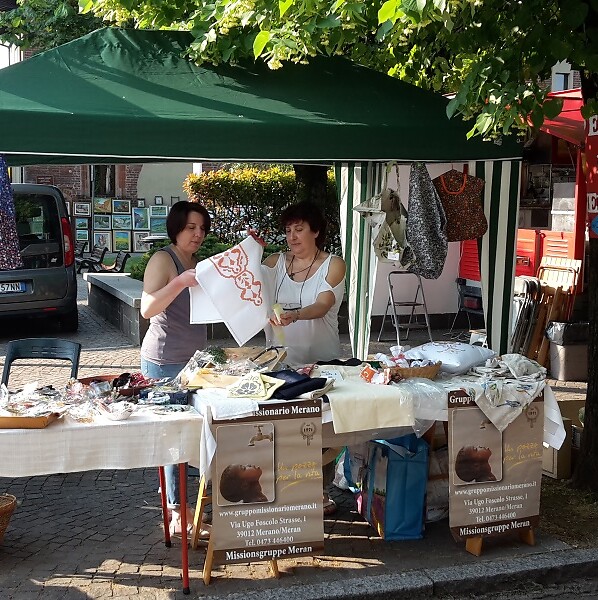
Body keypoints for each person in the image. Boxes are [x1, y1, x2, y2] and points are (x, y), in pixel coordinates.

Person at [262, 200, 346, 515]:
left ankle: (320, 493)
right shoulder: (274, 263)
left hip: (321, 363)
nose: (292, 237)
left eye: (299, 229)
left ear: (316, 231)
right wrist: (251, 252)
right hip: (280, 364)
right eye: (288, 231)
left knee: (321, 432)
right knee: (284, 431)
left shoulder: (333, 264)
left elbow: (323, 305)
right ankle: (287, 492)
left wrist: (295, 315)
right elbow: (248, 284)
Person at [140, 200, 210, 536]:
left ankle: (183, 503)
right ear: (176, 228)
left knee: (191, 437)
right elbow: (147, 308)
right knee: (173, 439)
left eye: (202, 228)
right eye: (191, 227)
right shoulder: (163, 259)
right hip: (164, 362)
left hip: (194, 363)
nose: (198, 234)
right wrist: (180, 282)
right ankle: (176, 512)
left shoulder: (197, 262)